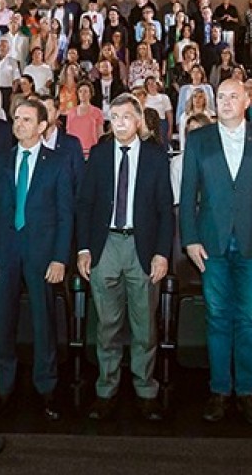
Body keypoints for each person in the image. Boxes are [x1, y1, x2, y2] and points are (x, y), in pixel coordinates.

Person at [179, 79, 252, 426]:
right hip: (210, 242)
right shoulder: (199, 139)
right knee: (216, 318)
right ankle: (219, 391)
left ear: (247, 101)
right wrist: (190, 239)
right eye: (221, 97)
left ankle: (247, 392)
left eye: (233, 96)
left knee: (248, 319)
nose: (226, 102)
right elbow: (187, 194)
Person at [76, 94, 173, 422]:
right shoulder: (100, 155)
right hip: (106, 247)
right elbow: (85, 204)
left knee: (144, 325)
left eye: (125, 117)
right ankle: (106, 390)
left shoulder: (156, 157)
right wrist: (84, 249)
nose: (119, 123)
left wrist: (162, 253)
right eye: (113, 117)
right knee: (107, 325)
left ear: (139, 121)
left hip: (142, 249)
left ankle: (146, 391)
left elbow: (165, 211)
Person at [0, 99, 73, 421]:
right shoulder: (0, 161)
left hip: (42, 253)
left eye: (26, 119)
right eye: (16, 118)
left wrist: (60, 258)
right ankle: (4, 388)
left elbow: (65, 216)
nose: (19, 124)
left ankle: (46, 388)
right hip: (4, 252)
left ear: (42, 126)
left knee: (43, 322)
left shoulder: (58, 162)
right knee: (3, 321)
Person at [64, 82, 105, 155]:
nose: (82, 94)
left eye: (85, 91)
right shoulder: (71, 112)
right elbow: (68, 133)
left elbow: (100, 134)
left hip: (92, 151)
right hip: (74, 151)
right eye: (80, 91)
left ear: (90, 94)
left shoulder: (97, 112)